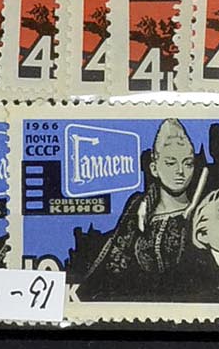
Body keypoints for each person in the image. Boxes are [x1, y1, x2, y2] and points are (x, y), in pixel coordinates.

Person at [76, 118, 204, 299]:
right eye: (170, 163)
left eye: (188, 163)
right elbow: (114, 263)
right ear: (154, 168)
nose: (180, 171)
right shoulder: (138, 207)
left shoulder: (201, 212)